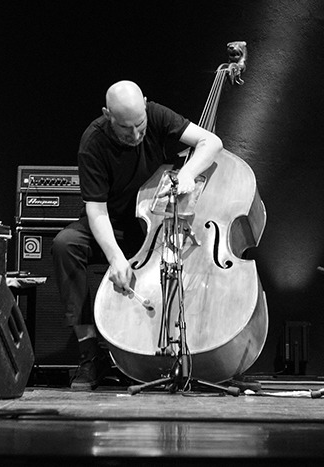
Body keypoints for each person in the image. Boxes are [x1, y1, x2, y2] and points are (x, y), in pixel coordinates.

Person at [50, 80, 223, 390]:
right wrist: (115, 257)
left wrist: (186, 174)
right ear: (107, 115)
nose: (134, 135)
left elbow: (211, 143)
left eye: (139, 126)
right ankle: (91, 354)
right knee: (66, 246)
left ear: (145, 104)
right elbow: (96, 210)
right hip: (114, 223)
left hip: (155, 223)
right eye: (125, 128)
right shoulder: (92, 141)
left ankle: (182, 352)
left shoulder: (157, 115)